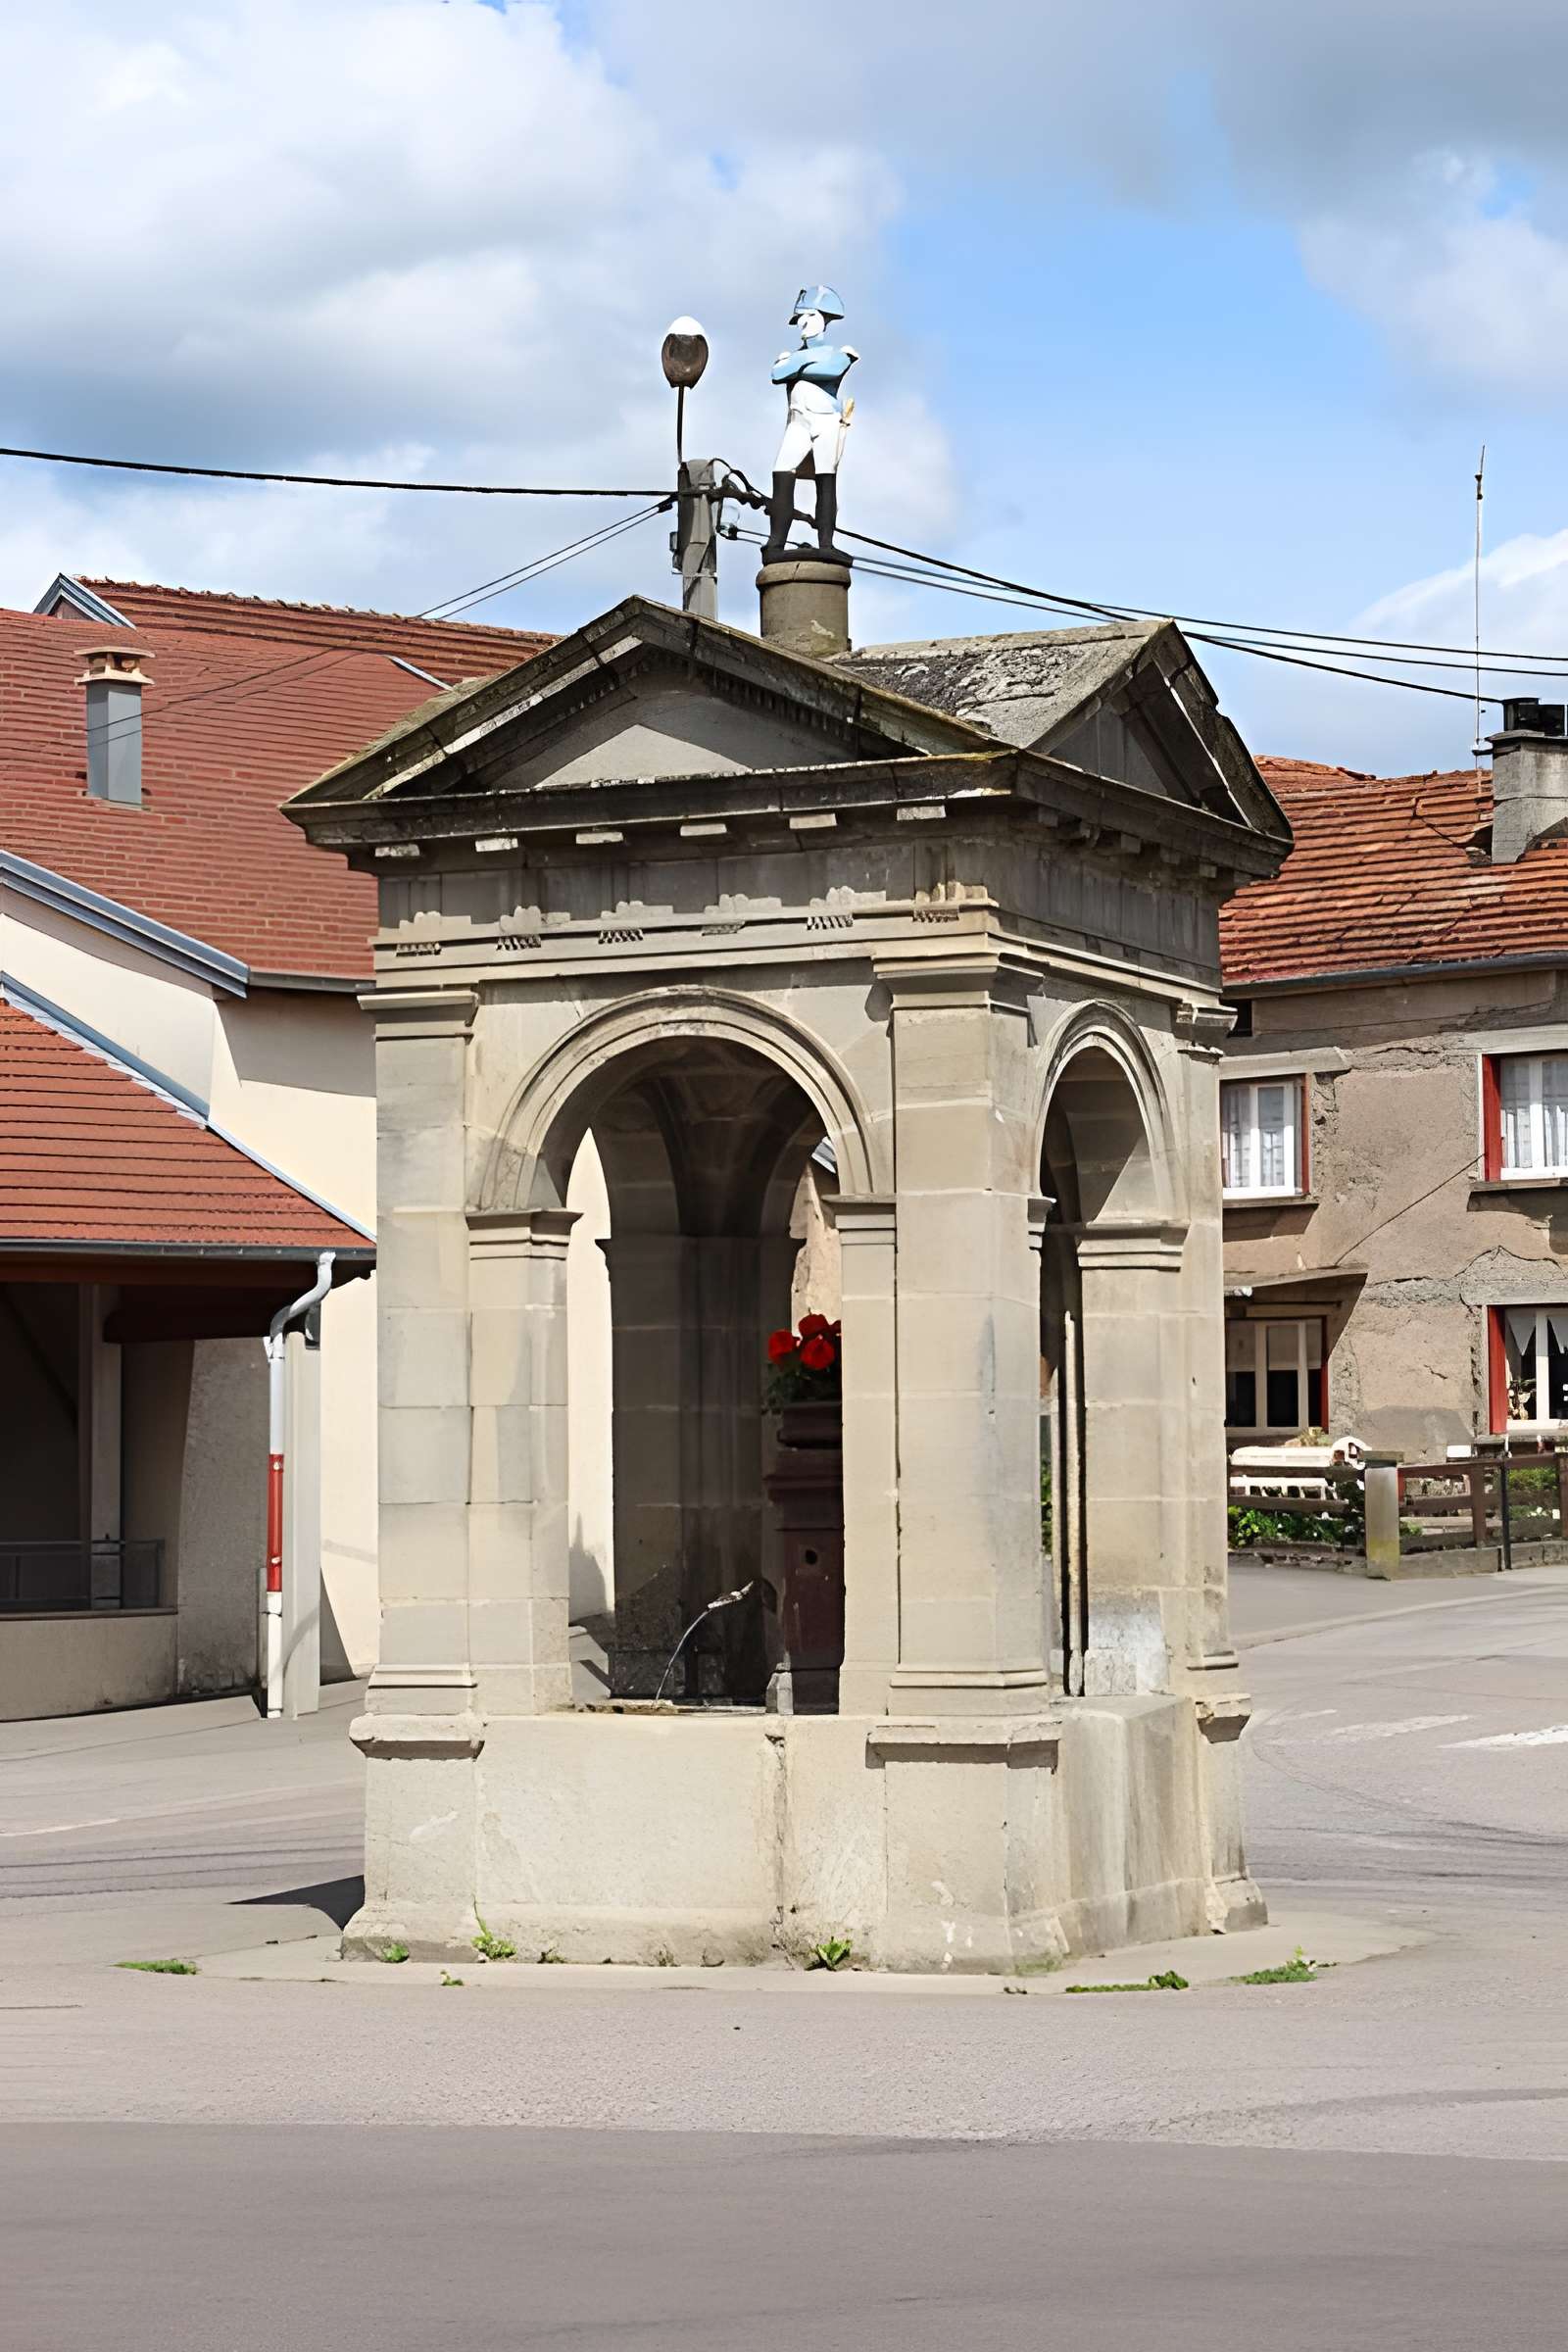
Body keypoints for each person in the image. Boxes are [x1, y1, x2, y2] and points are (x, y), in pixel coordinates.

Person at [762, 285, 858, 565]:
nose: (803, 322)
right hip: (798, 420)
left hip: (826, 420)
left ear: (824, 318)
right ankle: (775, 543)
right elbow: (778, 374)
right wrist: (805, 361)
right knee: (781, 471)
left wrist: (798, 363)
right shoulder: (793, 356)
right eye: (800, 318)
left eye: (810, 315)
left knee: (826, 477)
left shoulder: (840, 353)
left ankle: (826, 543)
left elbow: (832, 369)